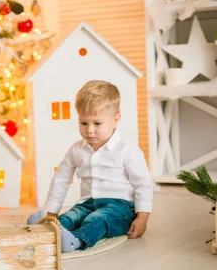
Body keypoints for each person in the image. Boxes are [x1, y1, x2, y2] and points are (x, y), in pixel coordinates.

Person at [28, 80, 153, 252]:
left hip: (120, 208)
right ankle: (46, 231)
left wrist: (142, 217)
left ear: (115, 119)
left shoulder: (127, 151)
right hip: (87, 203)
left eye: (97, 123)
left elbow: (143, 184)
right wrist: (51, 211)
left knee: (96, 219)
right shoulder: (77, 149)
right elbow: (62, 179)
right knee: (71, 217)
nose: (90, 130)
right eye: (84, 123)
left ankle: (76, 241)